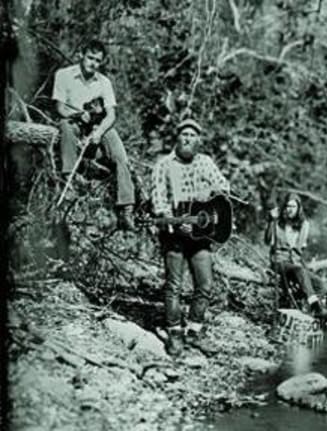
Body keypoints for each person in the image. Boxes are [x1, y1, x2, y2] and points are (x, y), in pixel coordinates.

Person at [151, 118, 230, 356]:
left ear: (198, 140)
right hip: (174, 234)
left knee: (205, 284)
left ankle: (194, 331)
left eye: (192, 135)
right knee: (174, 285)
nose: (187, 138)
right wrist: (173, 223)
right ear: (177, 138)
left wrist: (211, 191)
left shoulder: (205, 162)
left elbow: (224, 187)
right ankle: (174, 332)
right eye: (183, 134)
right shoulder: (163, 165)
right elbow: (158, 202)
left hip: (201, 235)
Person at [53, 39, 135, 229]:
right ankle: (69, 180)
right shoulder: (64, 75)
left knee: (120, 156)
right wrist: (78, 115)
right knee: (66, 125)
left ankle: (127, 209)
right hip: (74, 121)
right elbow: (60, 107)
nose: (93, 63)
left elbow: (111, 114)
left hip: (98, 125)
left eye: (97, 61)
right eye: (90, 58)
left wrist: (98, 132)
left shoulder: (104, 82)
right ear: (81, 54)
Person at [264, 193, 327, 317]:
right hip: (279, 261)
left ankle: (305, 309)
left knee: (320, 285)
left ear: (299, 208)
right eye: (288, 206)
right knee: (299, 270)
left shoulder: (303, 225)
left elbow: (299, 250)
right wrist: (271, 221)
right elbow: (267, 241)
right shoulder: (278, 223)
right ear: (284, 208)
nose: (290, 209)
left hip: (295, 264)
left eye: (293, 206)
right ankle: (315, 306)